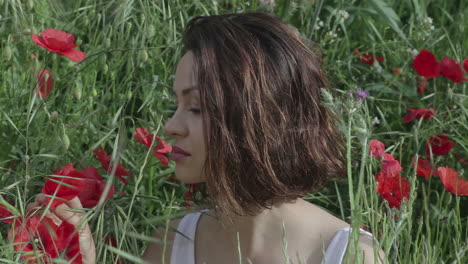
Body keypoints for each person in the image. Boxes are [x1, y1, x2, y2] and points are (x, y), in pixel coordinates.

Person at [28, 12, 385, 264]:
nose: (171, 126)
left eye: (196, 108)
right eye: (177, 104)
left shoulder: (347, 255)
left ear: (259, 118)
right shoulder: (170, 245)